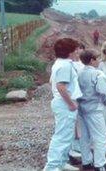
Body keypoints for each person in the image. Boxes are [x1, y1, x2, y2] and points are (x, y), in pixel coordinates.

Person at [44, 38, 82, 171]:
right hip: (65, 104)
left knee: (67, 135)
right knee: (61, 136)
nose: (78, 51)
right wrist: (71, 103)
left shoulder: (61, 63)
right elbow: (61, 86)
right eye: (76, 49)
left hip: (62, 102)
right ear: (69, 52)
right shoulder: (65, 65)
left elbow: (52, 82)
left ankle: (61, 162)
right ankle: (52, 166)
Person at [77, 49, 106, 171]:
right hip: (95, 108)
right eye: (97, 58)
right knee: (100, 137)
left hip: (81, 108)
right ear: (92, 60)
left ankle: (86, 162)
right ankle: (100, 165)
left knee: (84, 136)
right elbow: (103, 91)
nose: (99, 60)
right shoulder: (98, 74)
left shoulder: (78, 73)